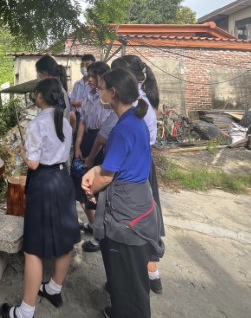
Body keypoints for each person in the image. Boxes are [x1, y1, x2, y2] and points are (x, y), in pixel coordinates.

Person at [82, 69, 164, 318]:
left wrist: (90, 189)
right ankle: (121, 309)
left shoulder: (122, 129)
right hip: (139, 202)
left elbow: (107, 177)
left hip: (126, 212)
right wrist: (95, 169)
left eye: (102, 88)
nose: (99, 92)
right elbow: (116, 164)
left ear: (113, 93)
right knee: (130, 274)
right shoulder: (135, 121)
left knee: (128, 276)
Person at [0, 78, 80, 318]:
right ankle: (54, 289)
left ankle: (26, 311)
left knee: (33, 248)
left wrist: (24, 153)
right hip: (62, 179)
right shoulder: (65, 122)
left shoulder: (37, 123)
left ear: (40, 97)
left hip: (44, 181)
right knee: (64, 240)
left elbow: (34, 164)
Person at [110, 55, 165, 294]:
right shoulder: (140, 102)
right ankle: (150, 275)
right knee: (141, 220)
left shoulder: (137, 107)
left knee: (137, 223)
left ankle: (146, 275)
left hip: (135, 165)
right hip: (139, 161)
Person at [72, 61, 114, 252]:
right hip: (87, 141)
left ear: (102, 78)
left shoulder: (106, 100)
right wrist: (78, 145)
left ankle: (99, 236)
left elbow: (103, 133)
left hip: (99, 145)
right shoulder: (88, 95)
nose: (88, 79)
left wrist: (91, 157)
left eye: (92, 76)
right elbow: (82, 121)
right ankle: (92, 224)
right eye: (88, 75)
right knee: (80, 187)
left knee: (94, 191)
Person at [35, 55, 74, 126]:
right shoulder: (55, 90)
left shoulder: (56, 92)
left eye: (38, 73)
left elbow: (56, 121)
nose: (38, 77)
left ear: (45, 73)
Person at [70, 54, 96, 124]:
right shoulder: (77, 84)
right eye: (82, 65)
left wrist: (77, 103)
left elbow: (92, 103)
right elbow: (72, 102)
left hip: (89, 117)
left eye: (87, 65)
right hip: (77, 116)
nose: (84, 68)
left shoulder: (95, 85)